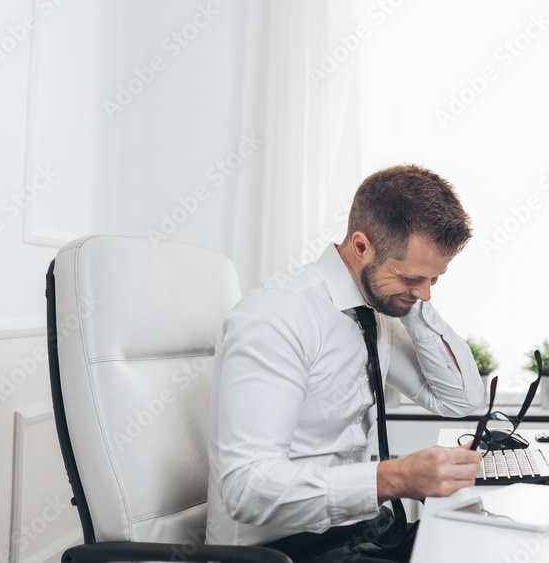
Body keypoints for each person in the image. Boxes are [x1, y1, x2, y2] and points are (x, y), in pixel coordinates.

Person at [206, 165, 485, 560]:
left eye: (434, 279)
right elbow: (247, 488)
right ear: (361, 246)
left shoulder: (376, 308)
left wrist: (414, 303)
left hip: (363, 532)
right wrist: (395, 478)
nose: (424, 293)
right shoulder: (278, 314)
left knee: (487, 544)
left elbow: (461, 400)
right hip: (284, 550)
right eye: (411, 277)